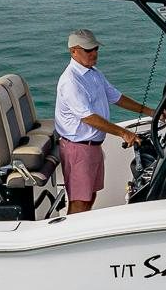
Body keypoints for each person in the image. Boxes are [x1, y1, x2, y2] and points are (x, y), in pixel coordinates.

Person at [55, 28, 157, 213]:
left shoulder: (93, 73)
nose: (93, 53)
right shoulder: (71, 81)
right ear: (73, 51)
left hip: (92, 147)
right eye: (88, 50)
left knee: (90, 196)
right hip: (78, 149)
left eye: (95, 48)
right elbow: (88, 118)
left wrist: (150, 111)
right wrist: (124, 133)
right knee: (79, 202)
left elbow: (116, 97)